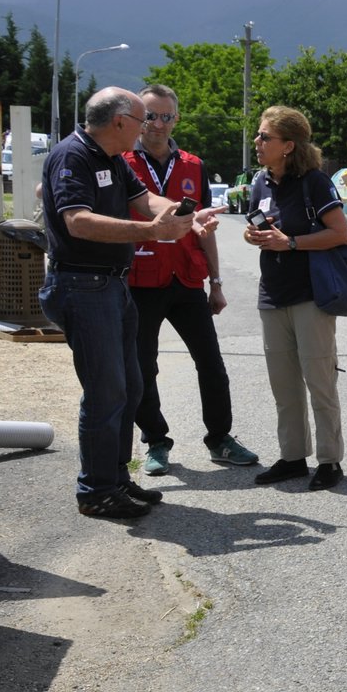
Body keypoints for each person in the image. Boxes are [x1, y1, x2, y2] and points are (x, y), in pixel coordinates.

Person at [38, 87, 216, 519]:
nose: (148, 128)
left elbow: (146, 202)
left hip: (111, 287)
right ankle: (96, 490)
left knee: (130, 387)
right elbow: (77, 222)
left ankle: (115, 478)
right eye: (143, 120)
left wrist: (182, 216)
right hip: (82, 286)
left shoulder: (114, 160)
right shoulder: (73, 157)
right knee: (105, 391)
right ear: (119, 122)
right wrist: (152, 233)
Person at [124, 84, 258, 476]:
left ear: (176, 119)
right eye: (150, 115)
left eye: (167, 116)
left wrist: (216, 282)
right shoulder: (123, 162)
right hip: (141, 280)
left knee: (211, 363)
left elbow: (206, 227)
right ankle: (156, 442)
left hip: (187, 279)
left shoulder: (193, 165)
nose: (159, 124)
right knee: (143, 365)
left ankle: (220, 438)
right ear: (138, 119)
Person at [242, 107, 347, 491]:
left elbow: (341, 233)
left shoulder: (315, 183)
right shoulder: (261, 182)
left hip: (310, 297)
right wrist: (254, 236)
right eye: (259, 136)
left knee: (319, 382)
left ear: (288, 146)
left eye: (264, 137)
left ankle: (329, 461)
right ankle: (292, 457)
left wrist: (290, 242)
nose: (257, 142)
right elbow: (256, 226)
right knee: (283, 386)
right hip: (272, 296)